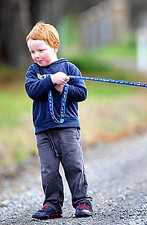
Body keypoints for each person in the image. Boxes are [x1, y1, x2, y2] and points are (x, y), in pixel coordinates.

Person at [25, 22, 93, 220]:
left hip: (67, 128)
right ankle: (52, 204)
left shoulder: (69, 68)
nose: (36, 55)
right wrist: (51, 80)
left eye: (41, 50)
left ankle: (81, 201)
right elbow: (32, 90)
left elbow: (82, 93)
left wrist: (63, 88)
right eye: (32, 51)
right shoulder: (33, 72)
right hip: (43, 130)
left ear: (54, 45)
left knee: (74, 164)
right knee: (49, 170)